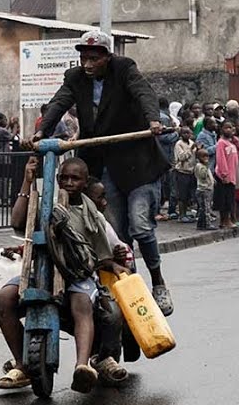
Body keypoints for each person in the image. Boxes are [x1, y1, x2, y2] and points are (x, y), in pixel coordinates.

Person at [31, 29, 174, 316]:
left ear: (107, 58)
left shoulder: (124, 69)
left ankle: (158, 282)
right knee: (117, 235)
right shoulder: (75, 78)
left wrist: (153, 120)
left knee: (141, 225)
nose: (88, 63)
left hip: (137, 163)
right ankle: (130, 291)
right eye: (84, 57)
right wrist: (40, 131)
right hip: (103, 164)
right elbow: (59, 103)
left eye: (94, 58)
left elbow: (143, 92)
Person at [0, 157, 131, 392]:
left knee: (82, 305)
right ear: (57, 180)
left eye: (75, 179)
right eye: (64, 178)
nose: (69, 183)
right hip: (41, 273)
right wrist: (27, 183)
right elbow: (17, 220)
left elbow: (101, 255)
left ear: (84, 182)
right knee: (3, 297)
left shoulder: (93, 215)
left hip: (78, 276)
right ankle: (20, 364)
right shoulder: (45, 205)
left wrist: (116, 265)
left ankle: (82, 367)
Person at [214, 119, 239, 230]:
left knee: (230, 199)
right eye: (226, 128)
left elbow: (237, 155)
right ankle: (225, 220)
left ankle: (228, 219)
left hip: (232, 175)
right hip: (224, 176)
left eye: (231, 128)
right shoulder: (221, 143)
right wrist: (224, 174)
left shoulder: (231, 143)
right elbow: (221, 159)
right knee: (224, 200)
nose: (229, 130)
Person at [172, 126, 198, 222]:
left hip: (191, 171)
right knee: (182, 194)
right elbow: (181, 157)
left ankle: (186, 213)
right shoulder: (179, 144)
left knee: (189, 194)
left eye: (188, 133)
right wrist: (190, 150)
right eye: (184, 133)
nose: (187, 135)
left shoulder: (191, 143)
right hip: (182, 171)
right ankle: (182, 215)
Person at [194, 147, 215, 231]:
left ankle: (201, 224)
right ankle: (207, 224)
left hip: (208, 189)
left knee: (204, 208)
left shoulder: (204, 166)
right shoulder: (200, 166)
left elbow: (208, 175)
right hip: (203, 190)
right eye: (203, 157)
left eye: (207, 156)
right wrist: (206, 166)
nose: (206, 158)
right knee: (206, 208)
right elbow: (203, 176)